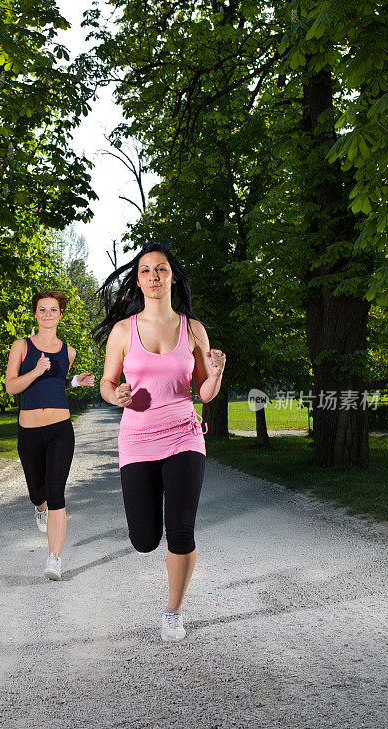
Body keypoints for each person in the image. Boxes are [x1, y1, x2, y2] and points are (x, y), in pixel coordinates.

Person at [95, 242, 226, 641]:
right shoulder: (123, 331)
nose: (154, 276)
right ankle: (149, 541)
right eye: (146, 271)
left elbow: (204, 392)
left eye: (161, 269)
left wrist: (217, 372)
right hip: (136, 439)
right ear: (138, 280)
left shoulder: (193, 329)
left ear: (172, 277)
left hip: (184, 434)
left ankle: (173, 611)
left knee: (181, 530)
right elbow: (107, 381)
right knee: (144, 539)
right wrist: (113, 394)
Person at [5, 290, 94, 581]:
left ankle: (54, 558)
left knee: (56, 493)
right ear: (35, 314)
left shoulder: (68, 351)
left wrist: (76, 381)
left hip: (60, 429)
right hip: (29, 430)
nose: (47, 314)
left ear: (60, 314)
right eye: (42, 309)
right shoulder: (21, 346)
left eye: (53, 309)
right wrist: (36, 370)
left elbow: (57, 384)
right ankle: (39, 508)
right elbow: (12, 387)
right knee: (37, 492)